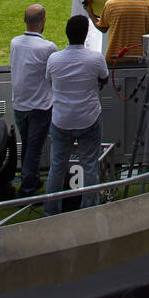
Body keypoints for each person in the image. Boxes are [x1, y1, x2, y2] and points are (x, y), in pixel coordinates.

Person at [43, 15, 108, 215]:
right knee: (89, 165)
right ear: (86, 34)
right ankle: (88, 211)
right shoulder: (95, 58)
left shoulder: (54, 59)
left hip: (62, 120)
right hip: (88, 119)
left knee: (57, 167)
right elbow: (104, 78)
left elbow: (50, 80)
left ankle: (51, 211)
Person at [9, 5, 57, 196]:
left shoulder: (15, 43)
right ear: (43, 20)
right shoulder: (48, 47)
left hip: (20, 103)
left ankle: (32, 178)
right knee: (34, 148)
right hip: (40, 106)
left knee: (29, 145)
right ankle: (27, 187)